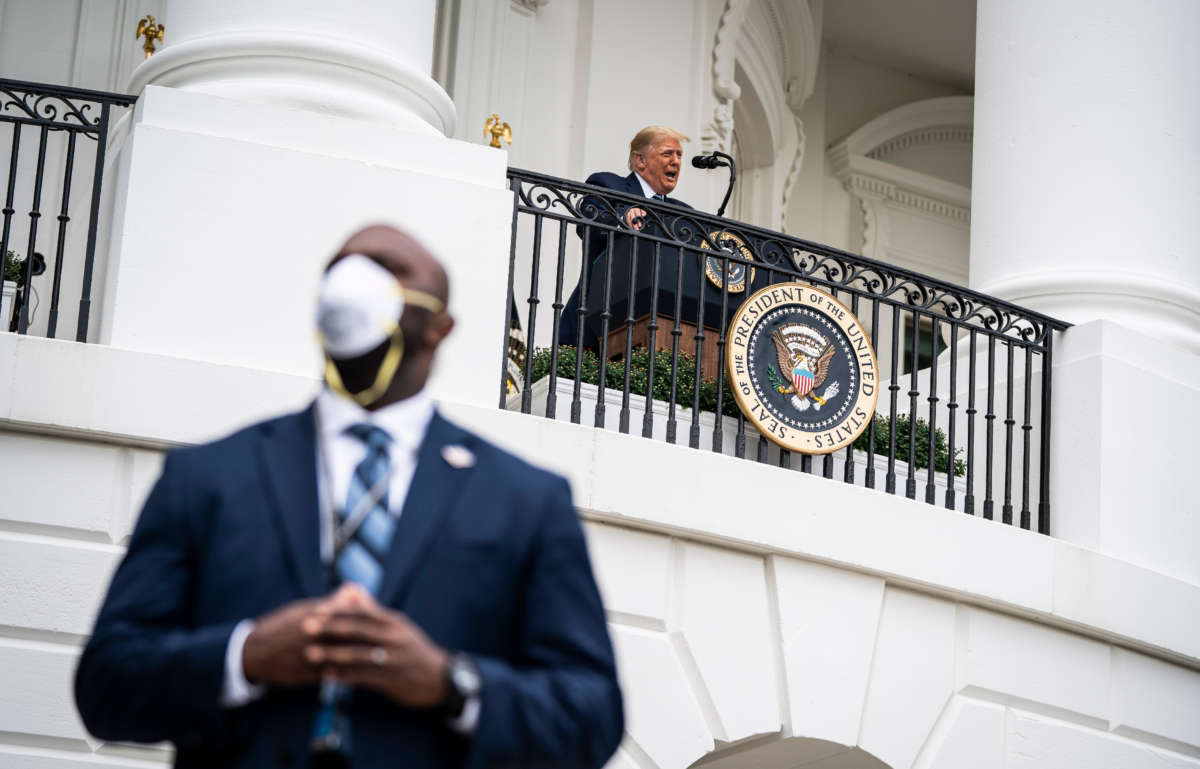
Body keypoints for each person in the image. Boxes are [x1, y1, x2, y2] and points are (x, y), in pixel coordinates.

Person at [74, 225, 624, 769]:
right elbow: (106, 687)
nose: (356, 275)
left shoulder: (526, 501)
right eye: (342, 266)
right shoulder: (205, 477)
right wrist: (245, 656)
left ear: (440, 326)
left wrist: (449, 683)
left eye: (389, 269)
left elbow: (592, 717)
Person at [558, 126, 694, 351]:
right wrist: (622, 221)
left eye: (679, 155)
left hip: (658, 330)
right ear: (640, 160)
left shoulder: (684, 213)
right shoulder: (608, 185)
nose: (676, 161)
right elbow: (588, 221)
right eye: (667, 153)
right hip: (595, 321)